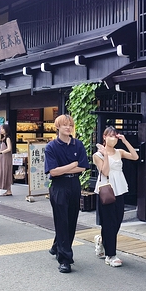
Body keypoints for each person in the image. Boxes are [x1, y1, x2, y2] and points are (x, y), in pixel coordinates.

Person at [45, 114, 88, 273]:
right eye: (65, 125)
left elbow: (82, 167)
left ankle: (58, 245)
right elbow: (53, 172)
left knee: (71, 220)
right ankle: (65, 259)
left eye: (70, 125)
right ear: (58, 127)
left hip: (74, 184)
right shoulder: (51, 147)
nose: (68, 128)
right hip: (59, 186)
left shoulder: (78, 145)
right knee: (62, 220)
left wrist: (66, 168)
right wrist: (72, 165)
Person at [93, 127, 138, 267]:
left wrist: (125, 141)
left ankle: (101, 240)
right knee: (108, 223)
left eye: (115, 136)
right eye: (110, 136)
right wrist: (105, 154)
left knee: (117, 221)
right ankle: (110, 255)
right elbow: (105, 171)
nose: (113, 138)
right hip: (106, 190)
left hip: (119, 189)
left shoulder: (120, 152)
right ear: (104, 137)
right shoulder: (97, 155)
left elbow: (135, 156)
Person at [0, 124, 13, 196]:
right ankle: (7, 190)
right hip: (3, 158)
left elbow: (9, 148)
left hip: (6, 158)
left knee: (4, 172)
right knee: (2, 172)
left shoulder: (7, 138)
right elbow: (5, 148)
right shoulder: (3, 138)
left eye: (2, 129)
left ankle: (1, 190)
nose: (0, 130)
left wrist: (0, 152)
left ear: (6, 130)